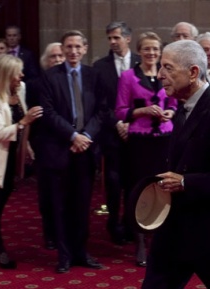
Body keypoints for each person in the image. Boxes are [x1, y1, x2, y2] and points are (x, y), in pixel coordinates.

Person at [142, 39, 210, 289]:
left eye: (168, 68)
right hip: (175, 230)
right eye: (161, 67)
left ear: (192, 72)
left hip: (208, 231)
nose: (160, 75)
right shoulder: (182, 106)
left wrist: (185, 182)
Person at [37, 30, 105, 273]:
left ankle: (81, 252)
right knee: (60, 206)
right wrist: (73, 135)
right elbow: (47, 111)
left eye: (78, 46)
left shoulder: (93, 76)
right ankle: (64, 256)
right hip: (60, 150)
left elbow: (101, 111)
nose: (73, 51)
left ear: (85, 48)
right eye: (69, 47)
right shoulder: (48, 77)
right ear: (63, 49)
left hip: (86, 150)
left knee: (82, 205)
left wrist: (86, 136)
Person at [0, 54, 43, 269]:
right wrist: (24, 121)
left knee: (4, 196)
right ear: (6, 75)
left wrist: (27, 145)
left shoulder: (19, 88)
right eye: (17, 73)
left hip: (11, 155)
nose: (21, 76)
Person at [115, 31, 177, 267]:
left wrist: (170, 112)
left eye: (155, 49)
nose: (151, 53)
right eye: (147, 49)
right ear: (139, 51)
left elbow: (173, 103)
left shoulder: (166, 74)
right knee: (138, 188)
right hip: (140, 141)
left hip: (164, 138)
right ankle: (139, 241)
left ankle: (161, 239)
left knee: (164, 188)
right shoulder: (128, 76)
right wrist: (142, 111)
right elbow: (120, 111)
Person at [93, 21, 141, 246]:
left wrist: (131, 123)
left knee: (135, 180)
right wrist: (119, 124)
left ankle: (131, 223)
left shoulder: (142, 63)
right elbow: (100, 104)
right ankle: (113, 223)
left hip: (138, 133)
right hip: (112, 134)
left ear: (128, 38)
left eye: (116, 37)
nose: (112, 42)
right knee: (113, 181)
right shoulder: (100, 66)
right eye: (110, 38)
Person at [26, 42, 65, 250]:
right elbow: (30, 116)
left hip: (67, 143)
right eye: (53, 57)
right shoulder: (34, 84)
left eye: (60, 56)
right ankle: (49, 233)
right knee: (47, 194)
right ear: (44, 61)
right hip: (44, 144)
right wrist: (28, 145)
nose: (57, 60)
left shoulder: (69, 80)